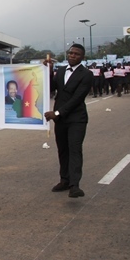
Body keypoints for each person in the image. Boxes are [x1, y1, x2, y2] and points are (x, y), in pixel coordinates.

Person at [43, 44, 93, 198]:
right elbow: (51, 88)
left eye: (76, 54)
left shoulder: (87, 74)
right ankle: (64, 180)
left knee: (74, 149)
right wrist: (48, 71)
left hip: (77, 119)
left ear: (82, 57)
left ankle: (74, 185)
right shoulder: (61, 71)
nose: (72, 55)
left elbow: (77, 98)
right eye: (71, 53)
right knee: (63, 150)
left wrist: (57, 113)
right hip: (61, 120)